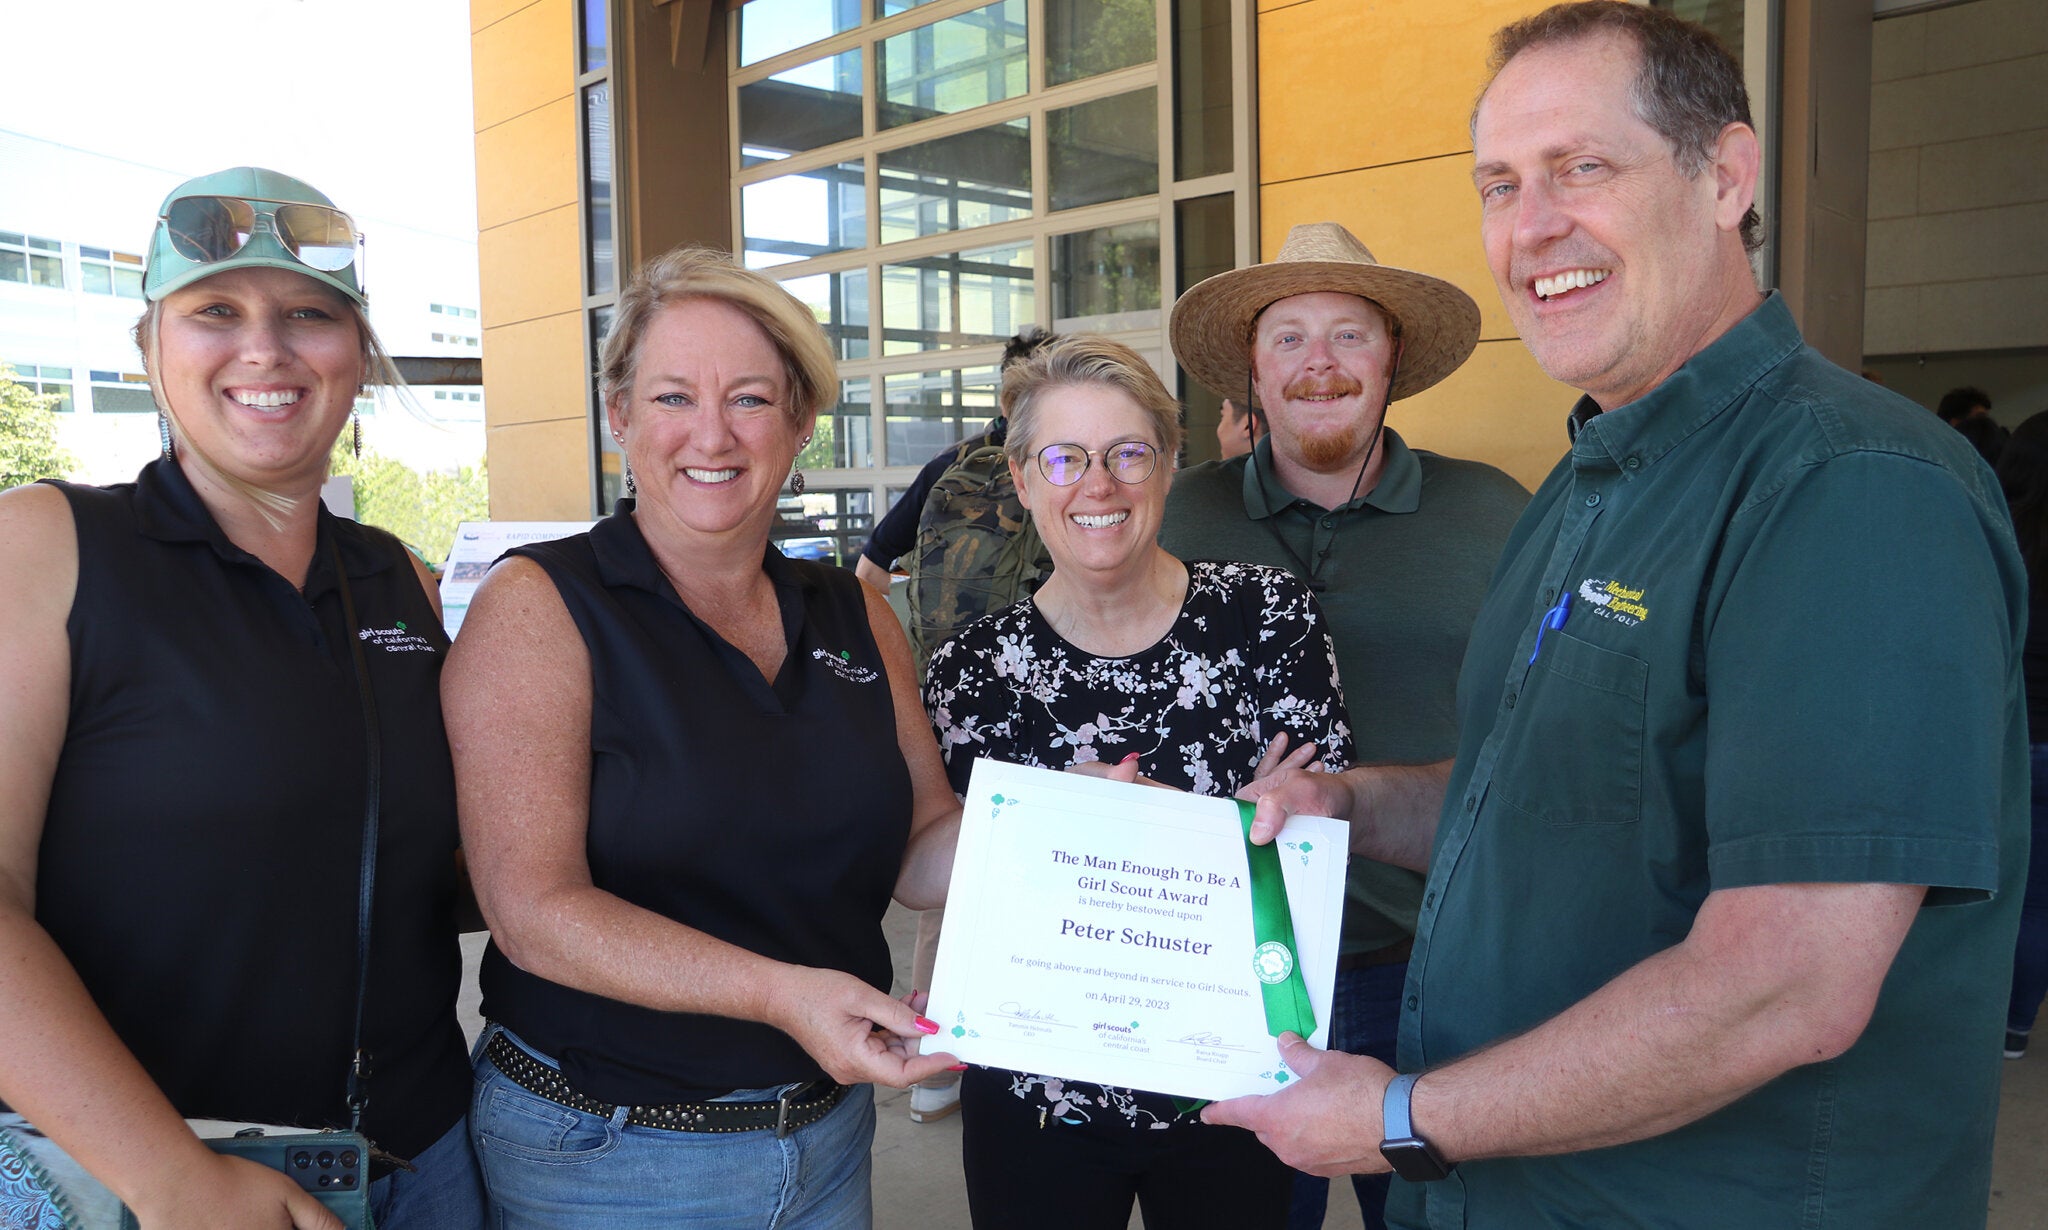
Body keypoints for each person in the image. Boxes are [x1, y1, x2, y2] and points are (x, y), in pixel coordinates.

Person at [1206, 5, 2028, 1227]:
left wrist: (1397, 1118)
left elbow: (1787, 983)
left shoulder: (1845, 486)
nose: (1530, 226)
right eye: (1497, 183)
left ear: (1725, 178)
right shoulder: (1593, 481)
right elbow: (1552, 801)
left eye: (1581, 167)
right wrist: (1351, 802)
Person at [0, 167, 480, 1229]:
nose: (265, 348)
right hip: (161, 1173)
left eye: (309, 314)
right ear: (150, 352)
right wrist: (168, 1174)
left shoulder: (394, 573)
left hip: (424, 1158)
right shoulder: (50, 546)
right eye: (215, 311)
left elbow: (423, 864)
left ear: (355, 358)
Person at [444, 245, 961, 1228]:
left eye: (752, 399)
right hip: (605, 1148)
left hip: (824, 1132)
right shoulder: (539, 606)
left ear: (802, 421)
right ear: (618, 414)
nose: (712, 434)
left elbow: (924, 841)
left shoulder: (851, 610)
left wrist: (1065, 832)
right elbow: (530, 908)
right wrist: (781, 997)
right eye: (674, 396)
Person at [922, 335, 1355, 1230]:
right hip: (1035, 1085)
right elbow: (940, 870)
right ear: (1023, 476)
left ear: (1168, 464)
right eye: (1063, 457)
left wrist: (1157, 829)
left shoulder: (1266, 617)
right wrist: (1068, 828)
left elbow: (1316, 827)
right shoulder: (973, 668)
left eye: (1128, 453)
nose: (1099, 485)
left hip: (1234, 1080)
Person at [1159, 222, 1527, 1230]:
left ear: (1392, 359)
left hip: (1434, 961)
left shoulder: (1493, 514)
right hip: (1228, 957)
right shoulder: (1172, 521)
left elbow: (1548, 731)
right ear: (1249, 368)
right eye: (1287, 338)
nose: (1317, 364)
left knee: (1439, 1221)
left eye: (1348, 336)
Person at [852, 325, 1056, 595]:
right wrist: (938, 595)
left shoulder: (953, 462)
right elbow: (868, 574)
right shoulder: (953, 468)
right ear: (1005, 401)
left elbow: (869, 573)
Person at [1999, 410, 2048, 1060]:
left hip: (2005, 744)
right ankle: (2016, 1026)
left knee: (1986, 899)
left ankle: (1990, 1020)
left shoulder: (1994, 538)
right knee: (2039, 904)